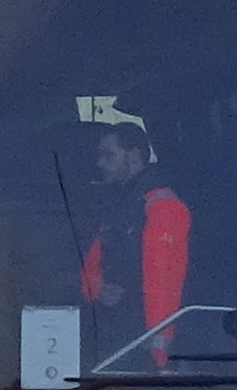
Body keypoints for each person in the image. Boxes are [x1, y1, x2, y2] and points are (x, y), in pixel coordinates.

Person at [76, 100, 192, 356]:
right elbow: (90, 263)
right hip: (115, 331)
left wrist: (160, 349)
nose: (100, 163)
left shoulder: (162, 206)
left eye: (109, 155)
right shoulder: (117, 202)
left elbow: (163, 283)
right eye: (99, 156)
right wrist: (96, 288)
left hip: (144, 340)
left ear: (135, 156)